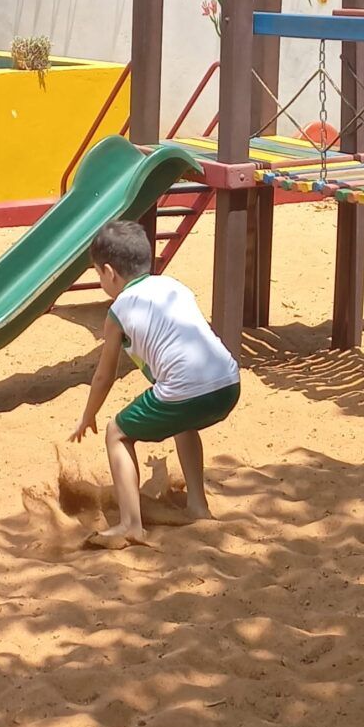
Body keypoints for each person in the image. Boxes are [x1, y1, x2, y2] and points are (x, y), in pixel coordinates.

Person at [70, 218, 241, 546]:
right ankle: (197, 506)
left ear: (109, 272)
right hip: (228, 383)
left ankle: (130, 525)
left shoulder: (118, 310)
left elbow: (104, 375)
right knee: (182, 419)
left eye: (97, 273)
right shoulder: (173, 286)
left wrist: (88, 414)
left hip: (187, 389)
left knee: (116, 433)